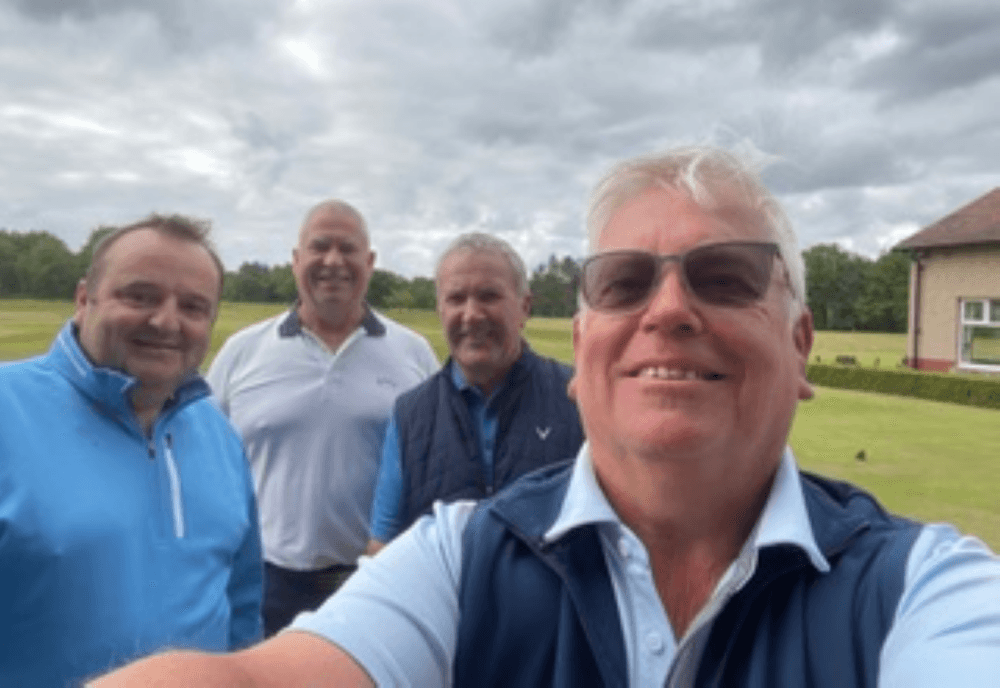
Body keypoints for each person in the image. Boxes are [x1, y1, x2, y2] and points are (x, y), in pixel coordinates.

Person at [93, 146, 1000, 688]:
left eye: (726, 276)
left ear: (801, 344)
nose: (669, 309)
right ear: (587, 345)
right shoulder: (458, 558)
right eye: (624, 282)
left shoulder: (925, 588)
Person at [0, 214, 263, 687]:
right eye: (139, 296)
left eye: (193, 306)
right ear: (85, 299)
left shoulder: (219, 435)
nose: (166, 321)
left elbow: (242, 608)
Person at [205, 199, 438, 636]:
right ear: (295, 261)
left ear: (369, 262)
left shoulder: (413, 354)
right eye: (319, 247)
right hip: (264, 580)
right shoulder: (243, 352)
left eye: (348, 248)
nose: (334, 261)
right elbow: (203, 463)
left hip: (374, 578)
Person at [366, 232, 583, 553]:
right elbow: (382, 543)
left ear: (524, 307)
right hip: (443, 604)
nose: (472, 314)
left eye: (489, 296)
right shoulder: (409, 414)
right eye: (456, 299)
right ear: (440, 310)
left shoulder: (576, 397)